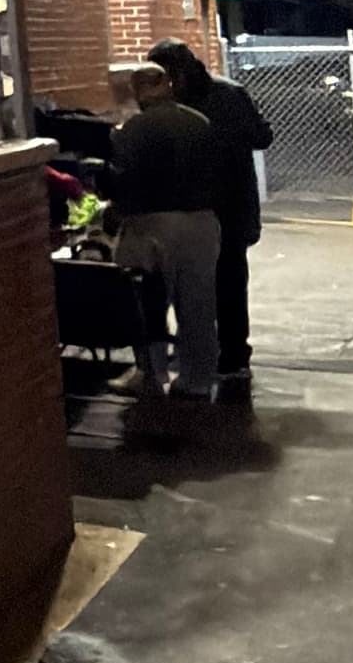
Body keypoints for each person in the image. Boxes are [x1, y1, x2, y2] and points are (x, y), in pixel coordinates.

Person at [105, 56, 226, 409]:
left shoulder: (134, 131)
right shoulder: (200, 123)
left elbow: (120, 180)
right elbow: (223, 174)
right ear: (169, 86)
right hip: (203, 223)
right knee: (199, 306)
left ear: (139, 91)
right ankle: (198, 380)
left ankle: (151, 373)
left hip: (152, 225)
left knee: (149, 304)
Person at [159, 36, 273, 395]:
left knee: (197, 285)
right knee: (228, 285)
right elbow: (262, 136)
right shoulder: (230, 93)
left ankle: (210, 354)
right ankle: (232, 355)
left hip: (199, 208)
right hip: (229, 208)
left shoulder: (175, 102)